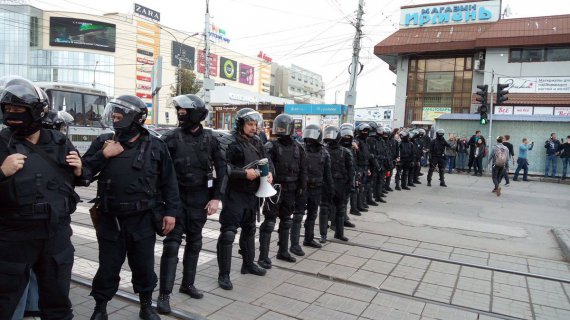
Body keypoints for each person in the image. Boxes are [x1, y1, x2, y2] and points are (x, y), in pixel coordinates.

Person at [83, 95, 180, 320]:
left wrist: (171, 212)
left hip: (143, 218)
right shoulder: (104, 142)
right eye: (113, 115)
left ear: (135, 119)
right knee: (108, 267)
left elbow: (169, 182)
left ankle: (146, 306)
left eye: (119, 116)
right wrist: (103, 155)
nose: (115, 119)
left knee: (144, 266)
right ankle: (100, 308)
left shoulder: (156, 146)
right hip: (111, 218)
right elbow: (83, 173)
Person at [0, 76, 89, 319]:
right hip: (14, 236)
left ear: (37, 112)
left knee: (57, 301)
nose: (12, 114)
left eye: (19, 109)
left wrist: (81, 170)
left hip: (55, 234)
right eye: (8, 109)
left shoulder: (59, 141)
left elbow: (80, 177)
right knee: (5, 302)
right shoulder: (1, 143)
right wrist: (1, 171)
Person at [156, 95, 227, 314]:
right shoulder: (169, 138)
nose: (180, 115)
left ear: (197, 114)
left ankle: (188, 284)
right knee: (172, 245)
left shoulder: (211, 139)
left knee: (195, 243)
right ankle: (164, 295)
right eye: (179, 111)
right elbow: (158, 172)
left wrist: (217, 197)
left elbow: (223, 169)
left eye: (184, 111)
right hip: (175, 200)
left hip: (200, 200)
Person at [216, 108, 270, 290]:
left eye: (255, 124)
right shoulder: (228, 141)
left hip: (253, 195)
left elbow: (266, 161)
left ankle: (248, 264)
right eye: (250, 124)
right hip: (234, 194)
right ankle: (223, 275)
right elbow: (222, 167)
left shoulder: (257, 141)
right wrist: (243, 174)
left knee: (249, 230)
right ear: (240, 124)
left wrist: (269, 174)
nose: (253, 128)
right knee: (229, 233)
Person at [259, 114, 306, 264]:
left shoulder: (298, 147)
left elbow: (303, 170)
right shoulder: (271, 146)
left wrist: (302, 188)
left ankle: (283, 251)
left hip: (291, 190)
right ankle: (263, 256)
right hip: (275, 189)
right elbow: (265, 166)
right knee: (269, 223)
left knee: (286, 221)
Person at [292, 124, 332, 251]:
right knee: (298, 215)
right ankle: (294, 244)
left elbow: (327, 174)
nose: (310, 139)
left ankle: (308, 239)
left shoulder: (324, 153)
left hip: (317, 188)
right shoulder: (300, 149)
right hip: (303, 188)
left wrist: (330, 190)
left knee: (312, 214)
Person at [319, 126, 354, 242]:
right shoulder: (323, 151)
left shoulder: (345, 152)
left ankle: (339, 233)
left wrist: (350, 186)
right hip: (327, 184)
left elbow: (350, 171)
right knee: (324, 210)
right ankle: (323, 235)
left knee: (340, 210)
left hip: (341, 184)